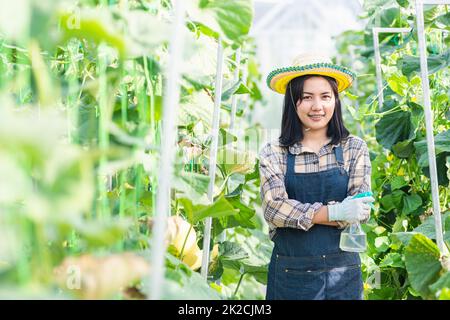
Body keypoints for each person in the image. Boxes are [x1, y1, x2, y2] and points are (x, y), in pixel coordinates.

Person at [259, 53, 375, 300]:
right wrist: (336, 212)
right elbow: (274, 210)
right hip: (290, 276)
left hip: (342, 274)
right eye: (307, 97)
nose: (317, 106)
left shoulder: (354, 148)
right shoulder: (274, 153)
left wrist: (303, 213)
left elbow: (361, 210)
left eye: (325, 96)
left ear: (336, 100)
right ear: (293, 102)